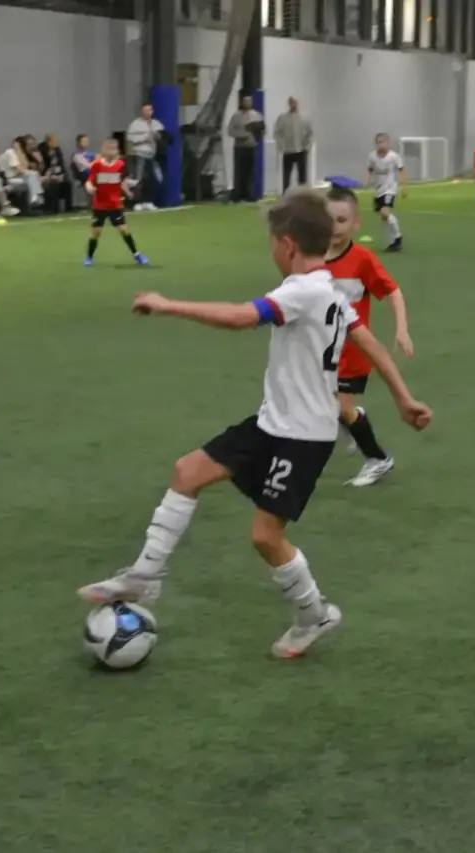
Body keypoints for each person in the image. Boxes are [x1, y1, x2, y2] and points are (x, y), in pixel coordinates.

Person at [76, 191, 432, 661]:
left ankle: (314, 614)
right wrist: (403, 398)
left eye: (271, 243)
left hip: (303, 437)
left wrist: (168, 304)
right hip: (272, 424)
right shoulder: (330, 290)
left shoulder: (301, 290)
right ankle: (144, 576)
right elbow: (369, 343)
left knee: (266, 537)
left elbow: (243, 317)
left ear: (287, 245)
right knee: (187, 471)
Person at [324, 186, 414, 487]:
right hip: (319, 349)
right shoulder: (312, 256)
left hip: (353, 353)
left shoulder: (362, 259)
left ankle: (377, 458)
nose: (334, 227)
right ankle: (350, 420)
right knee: (320, 403)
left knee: (339, 406)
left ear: (355, 223)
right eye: (329, 220)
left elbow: (393, 292)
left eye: (341, 220)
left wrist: (401, 329)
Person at [83, 138, 148, 267]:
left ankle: (137, 255)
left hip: (115, 205)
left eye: (114, 149)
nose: (112, 151)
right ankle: (89, 257)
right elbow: (89, 181)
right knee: (96, 233)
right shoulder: (97, 165)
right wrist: (89, 187)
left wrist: (128, 192)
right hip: (100, 205)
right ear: (104, 150)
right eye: (109, 149)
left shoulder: (120, 165)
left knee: (124, 230)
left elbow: (121, 181)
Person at [367, 133, 407, 250]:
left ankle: (398, 238)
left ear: (388, 143)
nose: (381, 144)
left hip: (390, 188)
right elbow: (370, 169)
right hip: (378, 189)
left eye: (383, 142)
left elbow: (401, 170)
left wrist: (404, 187)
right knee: (383, 216)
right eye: (378, 142)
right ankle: (392, 241)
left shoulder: (393, 156)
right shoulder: (372, 156)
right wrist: (367, 180)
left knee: (385, 212)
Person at [127, 103, 166, 210]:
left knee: (155, 178)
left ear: (152, 111)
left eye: (149, 110)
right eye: (145, 110)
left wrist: (158, 136)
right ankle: (139, 202)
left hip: (152, 155)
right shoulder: (135, 124)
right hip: (139, 154)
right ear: (141, 112)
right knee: (140, 179)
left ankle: (149, 201)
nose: (147, 112)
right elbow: (130, 139)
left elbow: (163, 136)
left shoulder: (156, 124)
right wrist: (145, 138)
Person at [227, 94, 265, 203]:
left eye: (249, 101)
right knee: (239, 171)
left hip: (251, 146)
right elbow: (230, 131)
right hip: (239, 147)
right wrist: (242, 135)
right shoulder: (236, 116)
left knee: (250, 172)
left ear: (251, 103)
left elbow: (262, 130)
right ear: (242, 103)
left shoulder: (257, 115)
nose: (247, 103)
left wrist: (257, 136)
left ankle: (249, 194)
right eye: (245, 101)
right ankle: (238, 195)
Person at [274, 96, 313, 191]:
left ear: (297, 103)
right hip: (288, 151)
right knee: (286, 176)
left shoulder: (304, 118)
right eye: (291, 102)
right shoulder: (282, 118)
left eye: (295, 102)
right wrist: (281, 146)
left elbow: (310, 134)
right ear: (289, 104)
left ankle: (302, 194)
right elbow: (277, 133)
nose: (293, 105)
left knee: (302, 176)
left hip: (301, 150)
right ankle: (286, 195)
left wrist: (307, 147)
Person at [1, 136, 43, 209]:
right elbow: (19, 170)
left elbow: (24, 169)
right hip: (9, 179)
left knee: (32, 179)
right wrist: (33, 174)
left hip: (18, 178)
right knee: (32, 177)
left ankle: (34, 200)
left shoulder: (20, 154)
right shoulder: (10, 152)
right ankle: (35, 199)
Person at [39, 133, 72, 214]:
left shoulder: (57, 149)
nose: (56, 142)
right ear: (48, 142)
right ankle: (54, 209)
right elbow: (44, 166)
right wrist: (51, 174)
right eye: (54, 141)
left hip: (57, 173)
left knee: (68, 183)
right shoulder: (42, 149)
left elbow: (61, 164)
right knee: (54, 183)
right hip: (46, 175)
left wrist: (62, 174)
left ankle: (68, 208)